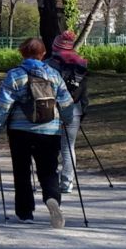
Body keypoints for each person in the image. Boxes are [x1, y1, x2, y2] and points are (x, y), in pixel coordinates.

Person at [0, 37, 75, 228]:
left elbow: (3, 104)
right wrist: (67, 120)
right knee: (49, 170)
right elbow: (66, 102)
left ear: (22, 53)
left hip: (20, 131)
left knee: (22, 171)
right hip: (50, 130)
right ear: (43, 54)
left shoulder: (15, 75)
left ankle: (25, 212)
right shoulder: (54, 75)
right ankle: (52, 199)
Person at [45, 31, 91, 193]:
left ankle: (49, 180)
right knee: (68, 146)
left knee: (51, 146)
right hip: (74, 110)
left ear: (55, 47)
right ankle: (67, 182)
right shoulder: (80, 65)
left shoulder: (49, 65)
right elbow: (83, 92)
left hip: (51, 110)